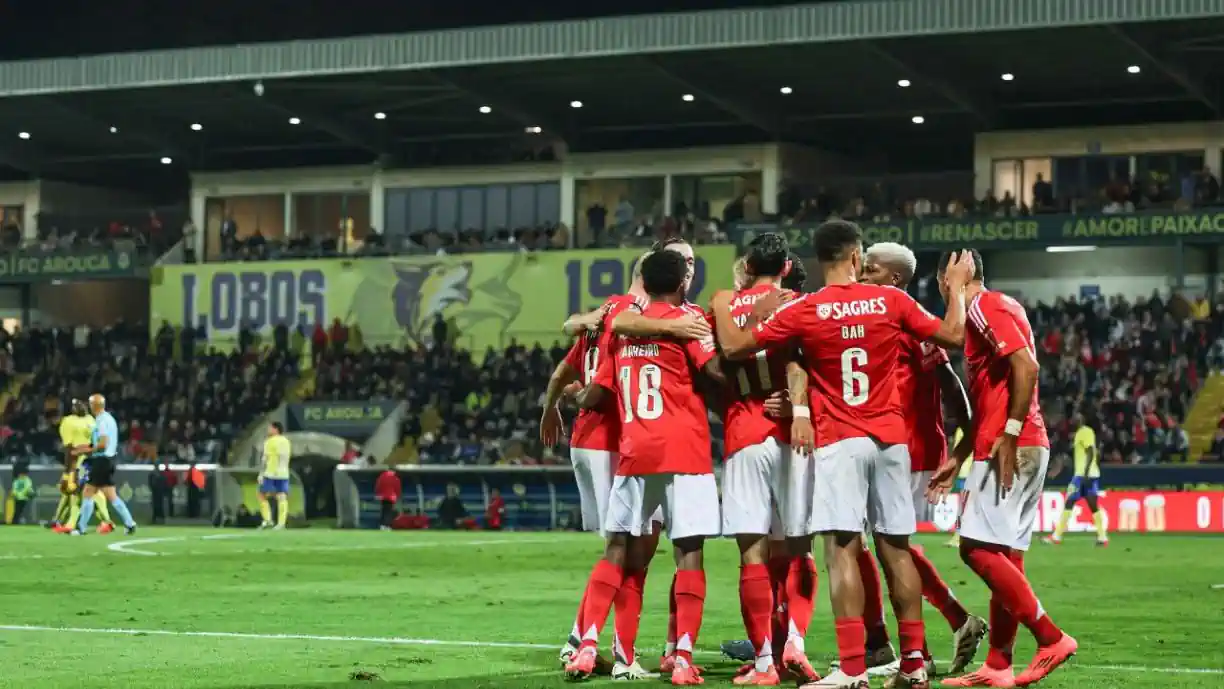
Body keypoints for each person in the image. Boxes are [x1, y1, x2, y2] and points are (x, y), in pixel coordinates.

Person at [716, 219, 973, 689]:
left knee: (841, 553)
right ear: (856, 257)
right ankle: (914, 662)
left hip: (839, 440)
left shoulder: (807, 308)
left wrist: (760, 314)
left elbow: (733, 348)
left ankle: (853, 668)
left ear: (819, 261)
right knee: (896, 549)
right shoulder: (893, 300)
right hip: (892, 441)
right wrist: (955, 288)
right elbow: (954, 337)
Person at [547, 245, 709, 681]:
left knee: (622, 550)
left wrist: (570, 399)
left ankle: (592, 646)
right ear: (678, 279)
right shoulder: (690, 322)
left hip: (633, 450)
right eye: (685, 263)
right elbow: (714, 375)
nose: (689, 269)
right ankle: (679, 656)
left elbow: (596, 379)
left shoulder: (621, 326)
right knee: (683, 551)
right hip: (680, 450)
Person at [935, 249, 1077, 688]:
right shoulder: (998, 309)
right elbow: (992, 392)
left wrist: (1010, 433)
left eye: (946, 282)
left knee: (974, 548)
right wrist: (958, 456)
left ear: (949, 279)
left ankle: (1051, 638)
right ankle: (998, 666)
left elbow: (1027, 367)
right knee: (1006, 556)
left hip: (1009, 445)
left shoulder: (984, 306)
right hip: (1012, 440)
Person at [856, 242, 988, 676]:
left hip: (908, 448)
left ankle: (918, 646)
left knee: (887, 546)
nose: (861, 276)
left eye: (870, 270)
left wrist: (961, 446)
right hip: (888, 445)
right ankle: (914, 643)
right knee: (883, 546)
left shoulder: (905, 319)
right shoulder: (873, 317)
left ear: (894, 278)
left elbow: (951, 386)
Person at [709, 233, 819, 686]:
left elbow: (714, 364)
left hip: (744, 433)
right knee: (799, 546)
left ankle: (763, 665)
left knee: (752, 554)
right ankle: (795, 640)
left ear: (747, 262)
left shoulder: (720, 303)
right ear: (788, 268)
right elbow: (805, 362)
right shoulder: (798, 302)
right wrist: (798, 408)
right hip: (794, 433)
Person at [73, 394, 137, 536]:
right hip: (108, 460)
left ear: (94, 405)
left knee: (88, 492)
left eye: (90, 404)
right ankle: (130, 523)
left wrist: (87, 451)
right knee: (111, 495)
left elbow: (102, 444)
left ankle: (80, 528)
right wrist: (83, 449)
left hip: (101, 461)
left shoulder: (101, 421)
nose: (89, 406)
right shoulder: (109, 419)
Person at [1045, 413, 1107, 546]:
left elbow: (1090, 451)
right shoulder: (1081, 434)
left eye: (1075, 418)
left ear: (1080, 420)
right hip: (1089, 474)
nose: (1072, 420)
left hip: (1083, 475)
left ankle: (1056, 537)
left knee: (1070, 502)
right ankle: (1102, 537)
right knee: (1091, 506)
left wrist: (1085, 473)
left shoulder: (1084, 432)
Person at [258, 422, 292, 530]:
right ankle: (281, 523)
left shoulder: (269, 442)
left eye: (270, 428)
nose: (268, 430)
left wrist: (261, 473)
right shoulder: (286, 441)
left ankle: (267, 520)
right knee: (282, 496)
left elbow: (265, 459)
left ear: (276, 429)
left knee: (262, 495)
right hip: (284, 473)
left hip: (271, 472)